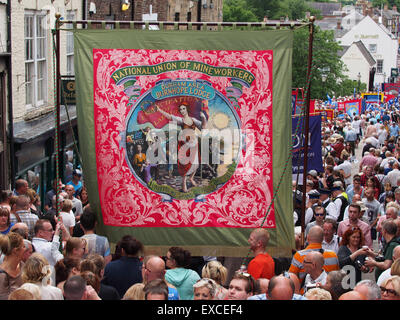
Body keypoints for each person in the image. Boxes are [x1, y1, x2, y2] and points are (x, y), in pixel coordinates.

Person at [156, 103, 207, 193]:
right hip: (185, 144)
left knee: (195, 163)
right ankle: (184, 184)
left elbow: (203, 127)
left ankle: (191, 178)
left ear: (187, 109)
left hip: (194, 143)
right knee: (185, 164)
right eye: (180, 110)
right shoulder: (181, 120)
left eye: (183, 109)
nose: (182, 111)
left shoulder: (193, 120)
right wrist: (159, 110)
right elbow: (170, 116)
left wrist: (203, 117)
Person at [31, 219, 67, 285]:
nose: (53, 232)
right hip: (49, 282)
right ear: (40, 233)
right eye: (50, 230)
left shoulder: (31, 245)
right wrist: (61, 229)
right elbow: (68, 242)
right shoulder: (49, 246)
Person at [0, 232, 25, 299]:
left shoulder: (23, 266)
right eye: (23, 246)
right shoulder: (2, 275)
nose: (25, 249)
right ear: (15, 251)